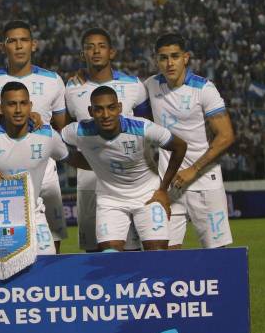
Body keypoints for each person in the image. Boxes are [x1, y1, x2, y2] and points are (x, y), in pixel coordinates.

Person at [0, 82, 88, 254]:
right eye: (12, 104)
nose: (18, 110)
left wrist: (102, 165)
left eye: (23, 103)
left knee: (47, 268)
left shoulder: (47, 135)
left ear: (30, 106)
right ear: (0, 107)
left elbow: (73, 158)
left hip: (34, 215)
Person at [0, 20, 68, 252]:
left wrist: (38, 128)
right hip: (3, 172)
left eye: (24, 40)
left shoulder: (53, 80)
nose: (18, 46)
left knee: (52, 241)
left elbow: (61, 128)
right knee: (5, 242)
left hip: (44, 170)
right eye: (12, 41)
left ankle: (49, 285)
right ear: (2, 47)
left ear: (33, 45)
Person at [61, 86, 187, 251]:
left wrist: (163, 189)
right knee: (110, 256)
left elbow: (180, 146)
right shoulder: (78, 131)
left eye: (111, 108)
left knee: (157, 254)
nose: (106, 115)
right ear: (90, 111)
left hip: (148, 195)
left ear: (119, 108)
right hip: (110, 200)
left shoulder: (142, 128)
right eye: (99, 109)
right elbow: (53, 142)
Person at [145, 33, 235, 249]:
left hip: (204, 181)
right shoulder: (150, 86)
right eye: (163, 57)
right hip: (170, 185)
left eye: (174, 56)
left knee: (218, 255)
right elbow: (121, 99)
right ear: (156, 60)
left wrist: (193, 169)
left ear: (185, 58)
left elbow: (226, 136)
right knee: (164, 253)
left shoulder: (204, 89)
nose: (169, 63)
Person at [65, 27, 151, 252]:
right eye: (89, 47)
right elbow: (64, 134)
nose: (96, 51)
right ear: (83, 54)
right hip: (89, 177)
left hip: (128, 179)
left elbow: (146, 129)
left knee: (132, 247)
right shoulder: (72, 88)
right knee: (95, 248)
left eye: (101, 46)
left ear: (111, 52)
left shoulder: (134, 86)